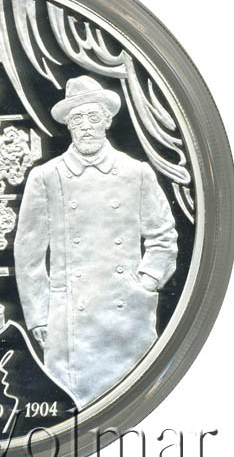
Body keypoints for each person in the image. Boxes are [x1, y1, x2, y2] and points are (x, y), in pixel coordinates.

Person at [14, 75, 178, 409]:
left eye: (93, 117)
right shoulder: (46, 177)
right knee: (73, 411)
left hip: (127, 316)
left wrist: (145, 283)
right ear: (68, 126)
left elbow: (163, 237)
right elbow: (29, 254)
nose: (86, 126)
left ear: (107, 120)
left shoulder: (136, 173)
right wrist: (39, 316)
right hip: (69, 320)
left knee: (137, 403)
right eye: (77, 119)